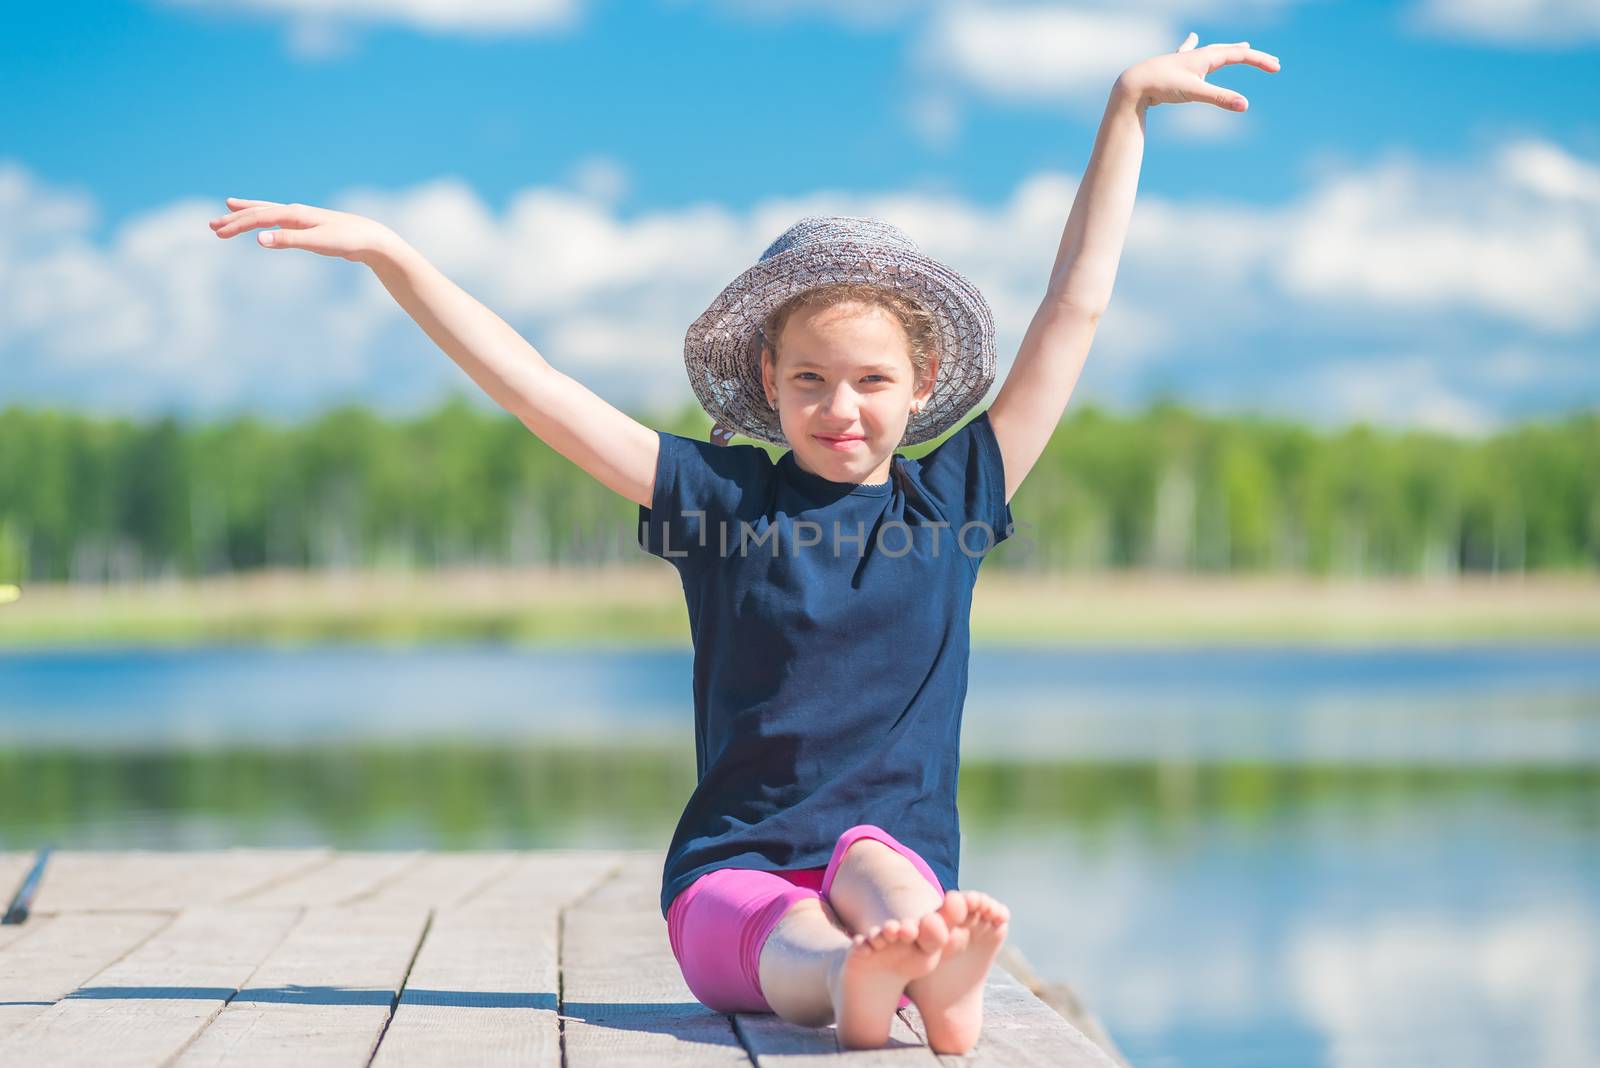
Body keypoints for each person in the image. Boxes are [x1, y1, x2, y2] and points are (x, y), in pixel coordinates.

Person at [207, 32, 1279, 1053]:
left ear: (918, 392)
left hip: (889, 852)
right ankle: (877, 985)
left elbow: (1073, 312)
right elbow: (538, 393)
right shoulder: (721, 501)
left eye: (871, 382)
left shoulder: (950, 499)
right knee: (789, 933)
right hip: (733, 870)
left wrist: (1125, 109)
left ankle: (921, 964)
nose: (840, 407)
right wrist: (396, 255)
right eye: (809, 379)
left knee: (889, 880)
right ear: (767, 383)